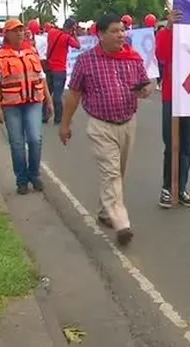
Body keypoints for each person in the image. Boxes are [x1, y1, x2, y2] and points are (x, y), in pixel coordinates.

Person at [59, 14, 155, 246]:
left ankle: (105, 212)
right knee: (110, 174)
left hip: (127, 122)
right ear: (100, 35)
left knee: (118, 173)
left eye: (122, 30)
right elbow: (74, 94)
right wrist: (65, 124)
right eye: (114, 31)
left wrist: (146, 90)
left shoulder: (132, 58)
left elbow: (147, 83)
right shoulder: (86, 61)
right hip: (101, 125)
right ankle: (121, 224)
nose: (121, 35)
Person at [0, 19, 54, 195]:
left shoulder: (31, 51)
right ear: (7, 34)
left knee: (35, 139)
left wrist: (49, 100)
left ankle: (34, 174)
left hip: (34, 102)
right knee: (17, 143)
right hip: (12, 105)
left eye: (21, 30)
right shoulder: (0, 55)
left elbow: (41, 77)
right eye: (15, 30)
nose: (19, 33)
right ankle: (22, 180)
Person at [155, 8, 190, 208]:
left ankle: (181, 188)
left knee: (186, 147)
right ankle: (167, 188)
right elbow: (161, 56)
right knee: (172, 145)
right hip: (172, 96)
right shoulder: (168, 34)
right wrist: (169, 27)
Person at [43, 18, 80, 125]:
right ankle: (58, 118)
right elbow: (78, 46)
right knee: (57, 96)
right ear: (72, 27)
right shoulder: (67, 38)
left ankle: (44, 116)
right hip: (59, 70)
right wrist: (74, 34)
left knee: (47, 93)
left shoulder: (52, 32)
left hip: (49, 68)